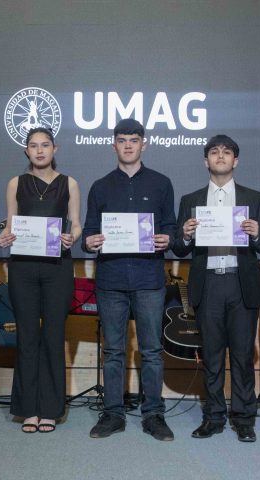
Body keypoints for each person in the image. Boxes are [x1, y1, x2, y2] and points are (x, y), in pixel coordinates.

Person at [171, 135, 260, 442]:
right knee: (212, 357)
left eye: (226, 152)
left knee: (242, 356)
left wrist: (256, 233)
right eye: (214, 152)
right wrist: (186, 235)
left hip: (241, 284)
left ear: (235, 161)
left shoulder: (253, 198)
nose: (220, 156)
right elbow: (177, 248)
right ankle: (213, 417)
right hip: (209, 285)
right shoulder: (190, 201)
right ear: (206, 161)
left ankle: (244, 418)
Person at [82, 118, 177, 441]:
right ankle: (112, 414)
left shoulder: (162, 183)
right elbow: (88, 232)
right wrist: (89, 242)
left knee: (151, 349)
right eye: (121, 140)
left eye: (133, 140)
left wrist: (168, 238)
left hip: (150, 278)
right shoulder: (100, 186)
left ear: (143, 144)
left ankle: (153, 415)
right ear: (113, 145)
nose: (127, 145)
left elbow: (172, 228)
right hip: (110, 279)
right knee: (113, 351)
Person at [0, 127, 82, 433]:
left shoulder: (69, 182)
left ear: (55, 149)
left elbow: (77, 224)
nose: (40, 150)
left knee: (53, 336)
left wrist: (72, 236)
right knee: (28, 336)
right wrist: (4, 235)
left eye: (45, 145)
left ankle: (51, 409)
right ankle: (28, 409)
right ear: (26, 151)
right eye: (34, 146)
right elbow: (9, 222)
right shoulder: (15, 183)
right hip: (23, 268)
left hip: (58, 267)